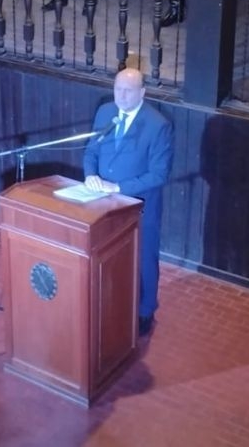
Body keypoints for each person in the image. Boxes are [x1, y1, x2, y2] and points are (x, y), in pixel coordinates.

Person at [83, 68, 173, 336]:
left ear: (142, 93)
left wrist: (119, 188)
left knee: (144, 259)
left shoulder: (158, 125)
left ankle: (145, 311)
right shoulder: (105, 112)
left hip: (139, 206)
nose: (121, 96)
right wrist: (90, 175)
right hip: (103, 202)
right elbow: (91, 151)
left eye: (128, 91)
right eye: (117, 89)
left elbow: (159, 174)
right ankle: (113, 302)